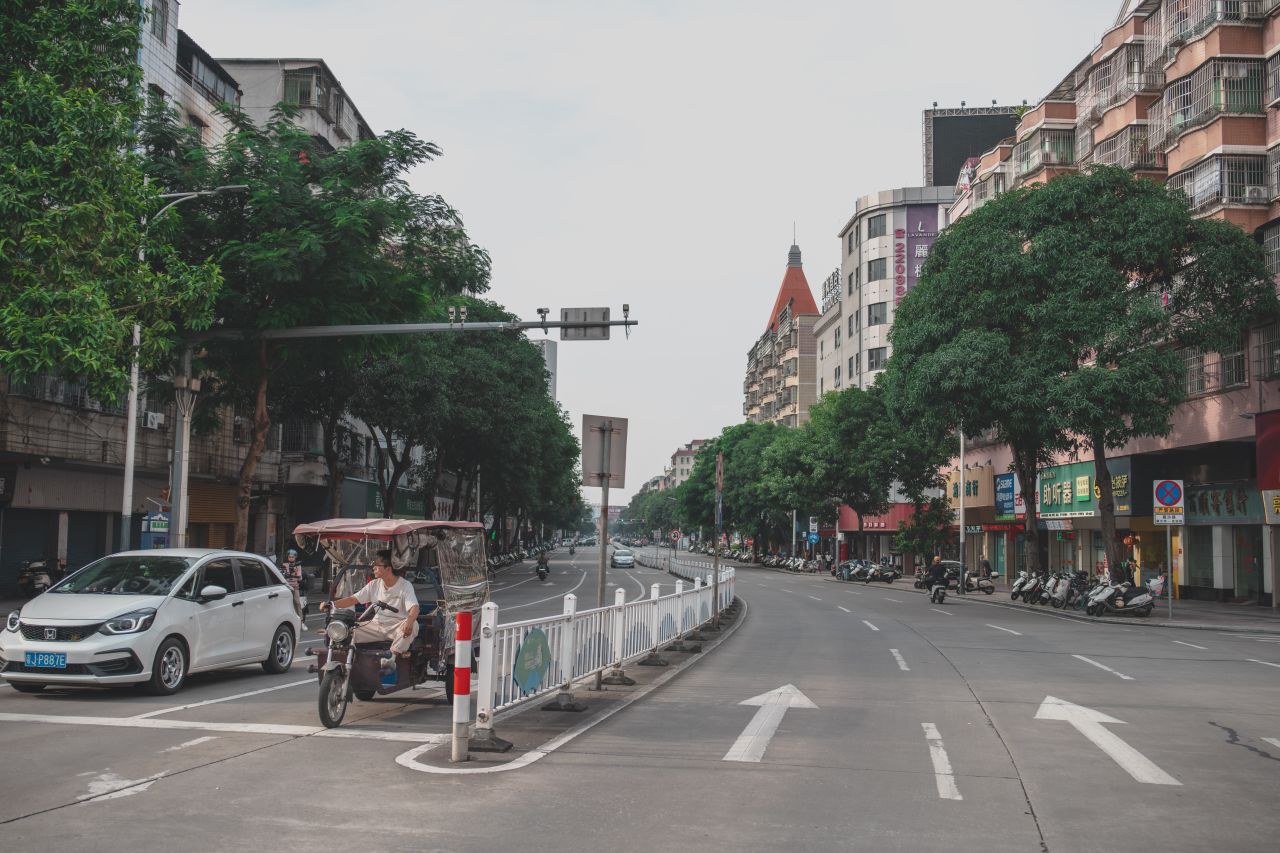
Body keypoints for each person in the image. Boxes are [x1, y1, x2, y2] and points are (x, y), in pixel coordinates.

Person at [325, 550, 419, 655]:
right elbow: (353, 599)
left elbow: (414, 608)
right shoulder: (374, 584)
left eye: (376, 565)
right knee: (345, 631)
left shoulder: (405, 585)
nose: (373, 567)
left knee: (414, 625)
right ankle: (347, 661)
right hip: (375, 626)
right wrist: (330, 604)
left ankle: (391, 658)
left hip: (396, 626)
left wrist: (409, 622)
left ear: (388, 568)